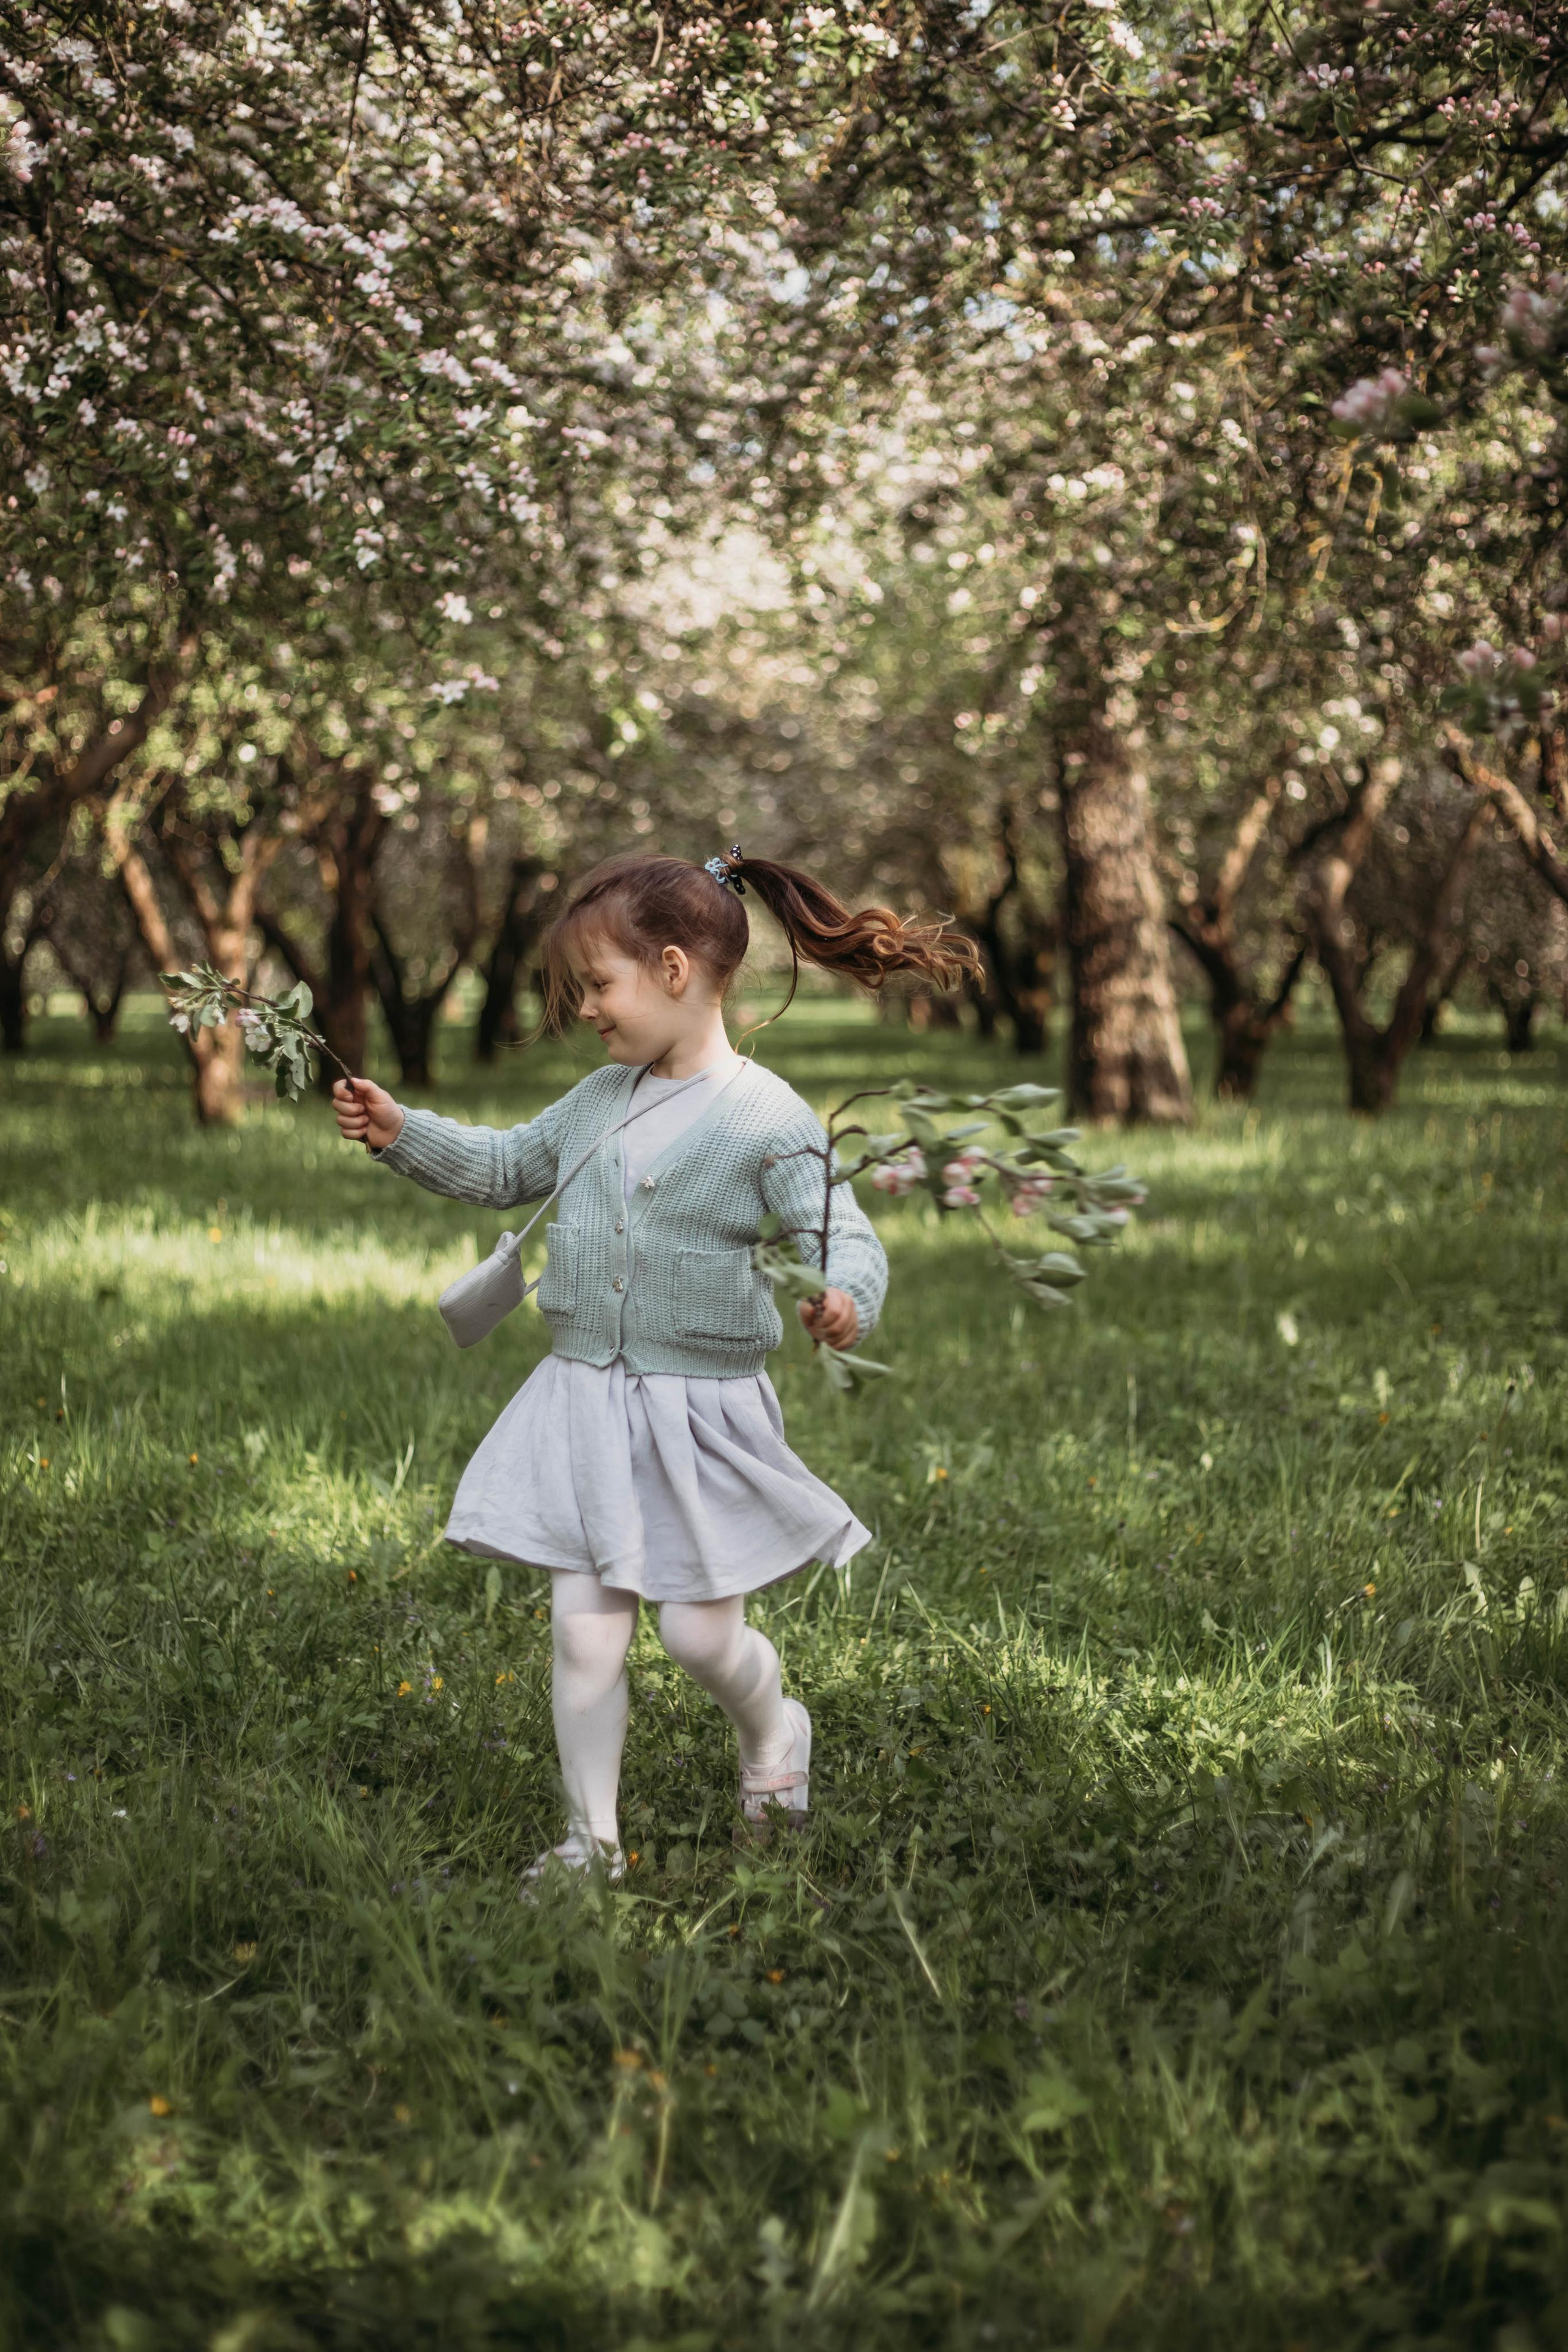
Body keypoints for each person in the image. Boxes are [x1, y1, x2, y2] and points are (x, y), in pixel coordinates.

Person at [332, 846, 976, 1888]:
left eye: (598, 985)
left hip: (699, 1414)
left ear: (674, 971)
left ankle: (775, 1731)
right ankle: (591, 1843)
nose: (585, 1009)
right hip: (585, 1400)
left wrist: (846, 1298)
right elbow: (505, 1166)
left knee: (698, 1638)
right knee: (584, 1634)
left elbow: (842, 1234)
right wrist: (402, 1131)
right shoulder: (597, 1100)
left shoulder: (765, 1119)